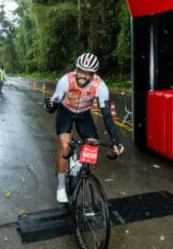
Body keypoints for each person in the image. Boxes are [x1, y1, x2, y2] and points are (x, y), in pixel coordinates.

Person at [45, 53, 124, 203]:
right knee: (65, 147)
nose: (82, 75)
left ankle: (77, 167)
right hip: (65, 112)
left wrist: (115, 141)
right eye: (80, 70)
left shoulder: (100, 86)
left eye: (87, 73)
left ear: (93, 74)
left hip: (83, 114)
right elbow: (52, 106)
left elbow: (107, 115)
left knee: (92, 144)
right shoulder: (65, 81)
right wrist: (50, 105)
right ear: (76, 68)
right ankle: (61, 186)